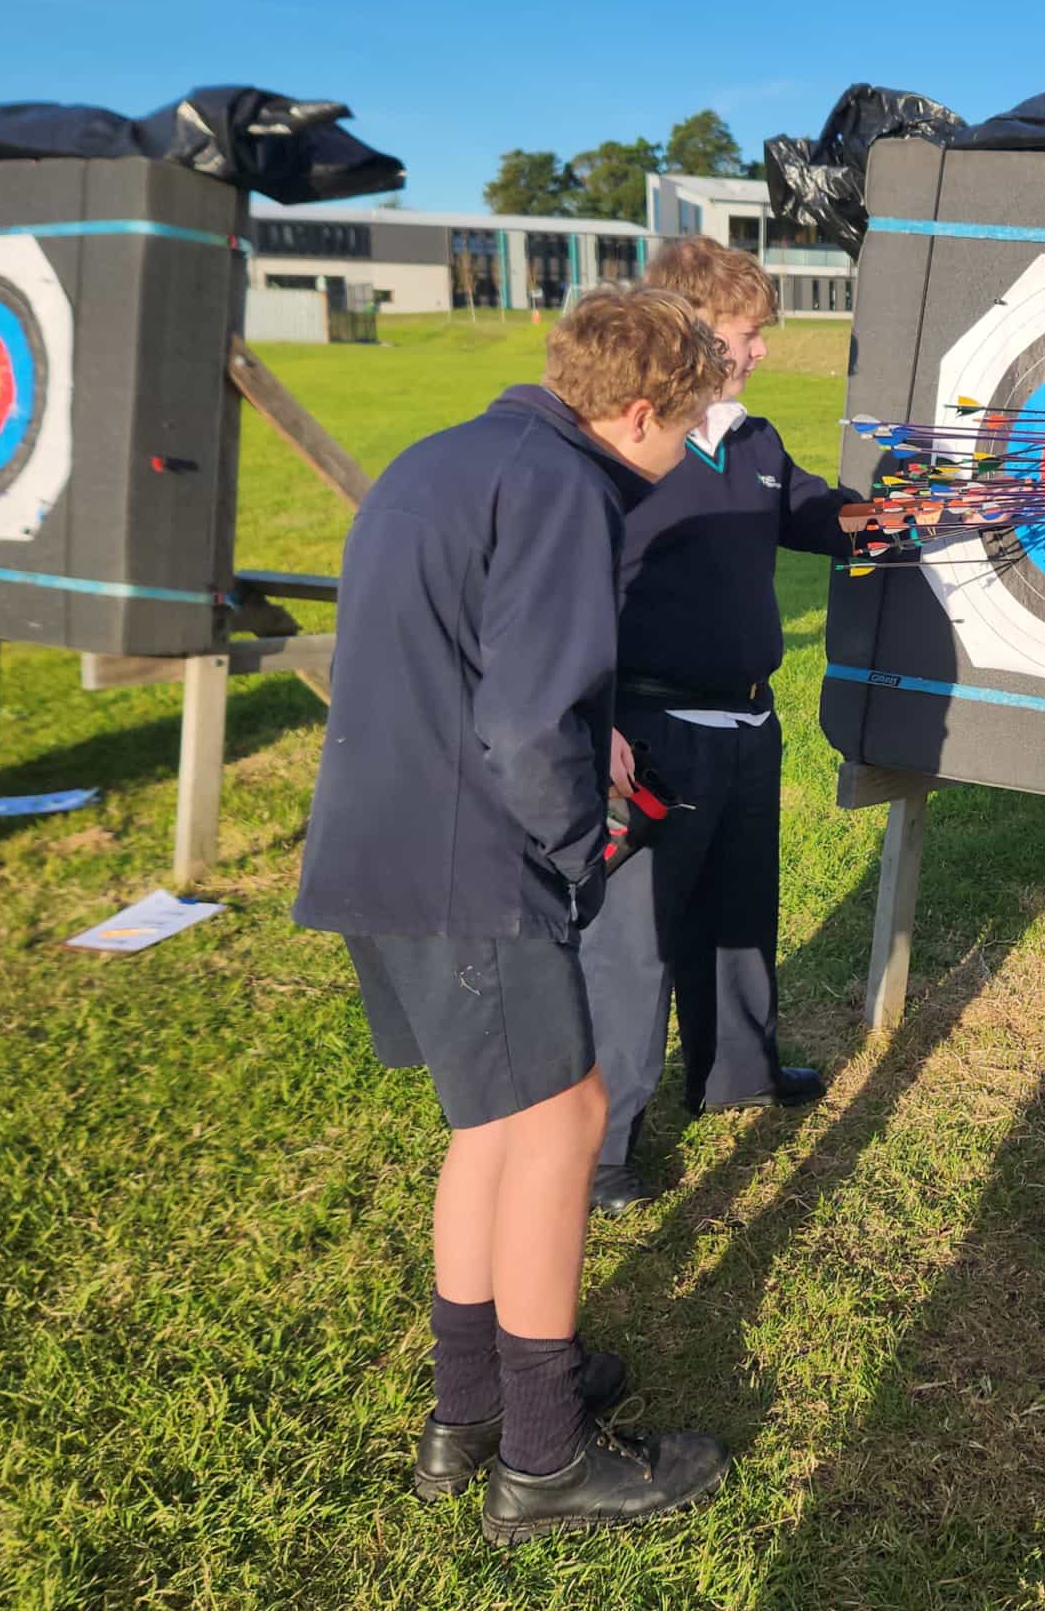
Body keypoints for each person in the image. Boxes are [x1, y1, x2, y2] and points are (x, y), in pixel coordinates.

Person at [293, 286, 734, 1542]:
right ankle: (543, 1461)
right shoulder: (560, 486)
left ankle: (470, 1409)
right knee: (564, 1118)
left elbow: (464, 664)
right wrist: (579, 846)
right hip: (469, 860)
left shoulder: (443, 456)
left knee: (490, 1121)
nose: (688, 450)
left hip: (383, 837)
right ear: (638, 411)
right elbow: (530, 720)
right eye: (687, 427)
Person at [575, 238, 859, 1212]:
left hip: (746, 723)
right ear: (690, 333)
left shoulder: (755, 440)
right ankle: (603, 1144)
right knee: (634, 944)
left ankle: (736, 1069)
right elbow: (571, 599)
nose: (762, 349)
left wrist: (890, 519)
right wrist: (598, 720)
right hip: (651, 734)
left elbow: (813, 512)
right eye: (748, 332)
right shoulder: (625, 451)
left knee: (738, 908)